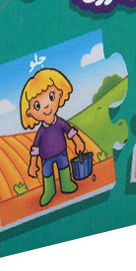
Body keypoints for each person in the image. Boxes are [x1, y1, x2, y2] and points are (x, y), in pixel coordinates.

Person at [21, 68, 85, 207]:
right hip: (46, 158)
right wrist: (33, 164)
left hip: (62, 153)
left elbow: (70, 132)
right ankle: (49, 191)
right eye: (37, 106)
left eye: (51, 96)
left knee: (64, 167)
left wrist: (78, 142)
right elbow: (35, 149)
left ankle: (66, 184)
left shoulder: (60, 122)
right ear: (30, 113)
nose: (46, 106)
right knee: (47, 174)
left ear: (59, 94)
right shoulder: (41, 131)